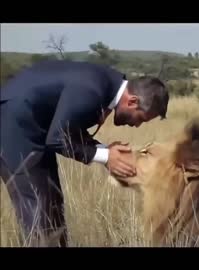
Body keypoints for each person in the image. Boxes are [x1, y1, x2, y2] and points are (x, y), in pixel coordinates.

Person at [0, 60, 169, 247]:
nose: (137, 125)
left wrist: (106, 150)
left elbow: (67, 130)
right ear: (132, 101)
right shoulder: (92, 91)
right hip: (14, 123)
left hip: (32, 125)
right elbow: (57, 139)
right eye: (141, 119)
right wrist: (106, 157)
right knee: (38, 208)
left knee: (51, 204)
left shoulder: (106, 85)